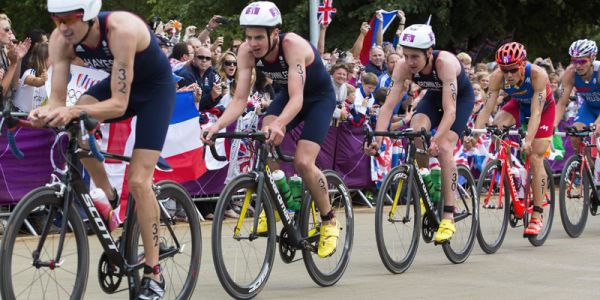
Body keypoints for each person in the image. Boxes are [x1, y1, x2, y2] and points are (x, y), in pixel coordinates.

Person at [30, 1, 176, 298]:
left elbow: (119, 105)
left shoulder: (120, 30)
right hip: (119, 87)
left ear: (89, 16)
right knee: (77, 129)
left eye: (69, 19)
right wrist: (44, 113)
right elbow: (57, 101)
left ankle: (153, 272)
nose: (62, 27)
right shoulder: (60, 39)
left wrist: (71, 111)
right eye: (56, 19)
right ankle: (109, 198)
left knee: (138, 181)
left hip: (154, 93)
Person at [202, 1, 340, 258]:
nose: (253, 43)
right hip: (287, 97)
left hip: (318, 99)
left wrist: (280, 123)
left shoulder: (293, 46)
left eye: (258, 37)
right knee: (263, 138)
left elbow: (298, 97)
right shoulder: (246, 52)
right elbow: (239, 99)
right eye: (249, 36)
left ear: (274, 33)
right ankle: (281, 200)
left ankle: (329, 219)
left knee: (303, 161)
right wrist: (217, 125)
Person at [364, 24, 475, 244]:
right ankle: (427, 181)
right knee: (416, 132)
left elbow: (450, 111)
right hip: (433, 97)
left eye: (415, 56)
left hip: (459, 101)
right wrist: (378, 139)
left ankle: (448, 215)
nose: (410, 62)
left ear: (429, 52)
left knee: (443, 147)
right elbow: (387, 107)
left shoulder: (445, 63)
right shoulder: (403, 67)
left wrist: (436, 138)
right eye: (406, 55)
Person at [474, 42, 555, 236]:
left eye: (512, 70)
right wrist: (474, 134)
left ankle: (537, 214)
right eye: (504, 70)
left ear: (522, 64)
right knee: (498, 126)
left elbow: (536, 112)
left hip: (543, 110)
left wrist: (528, 140)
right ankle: (515, 177)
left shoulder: (537, 75)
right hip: (518, 105)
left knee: (535, 156)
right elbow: (487, 108)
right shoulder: (497, 77)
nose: (508, 75)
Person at [554, 39, 599, 152]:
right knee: (575, 133)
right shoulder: (570, 73)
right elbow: (561, 103)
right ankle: (581, 165)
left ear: (592, 58)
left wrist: (598, 123)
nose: (578, 66)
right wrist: (552, 125)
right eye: (574, 61)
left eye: (582, 61)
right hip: (589, 108)